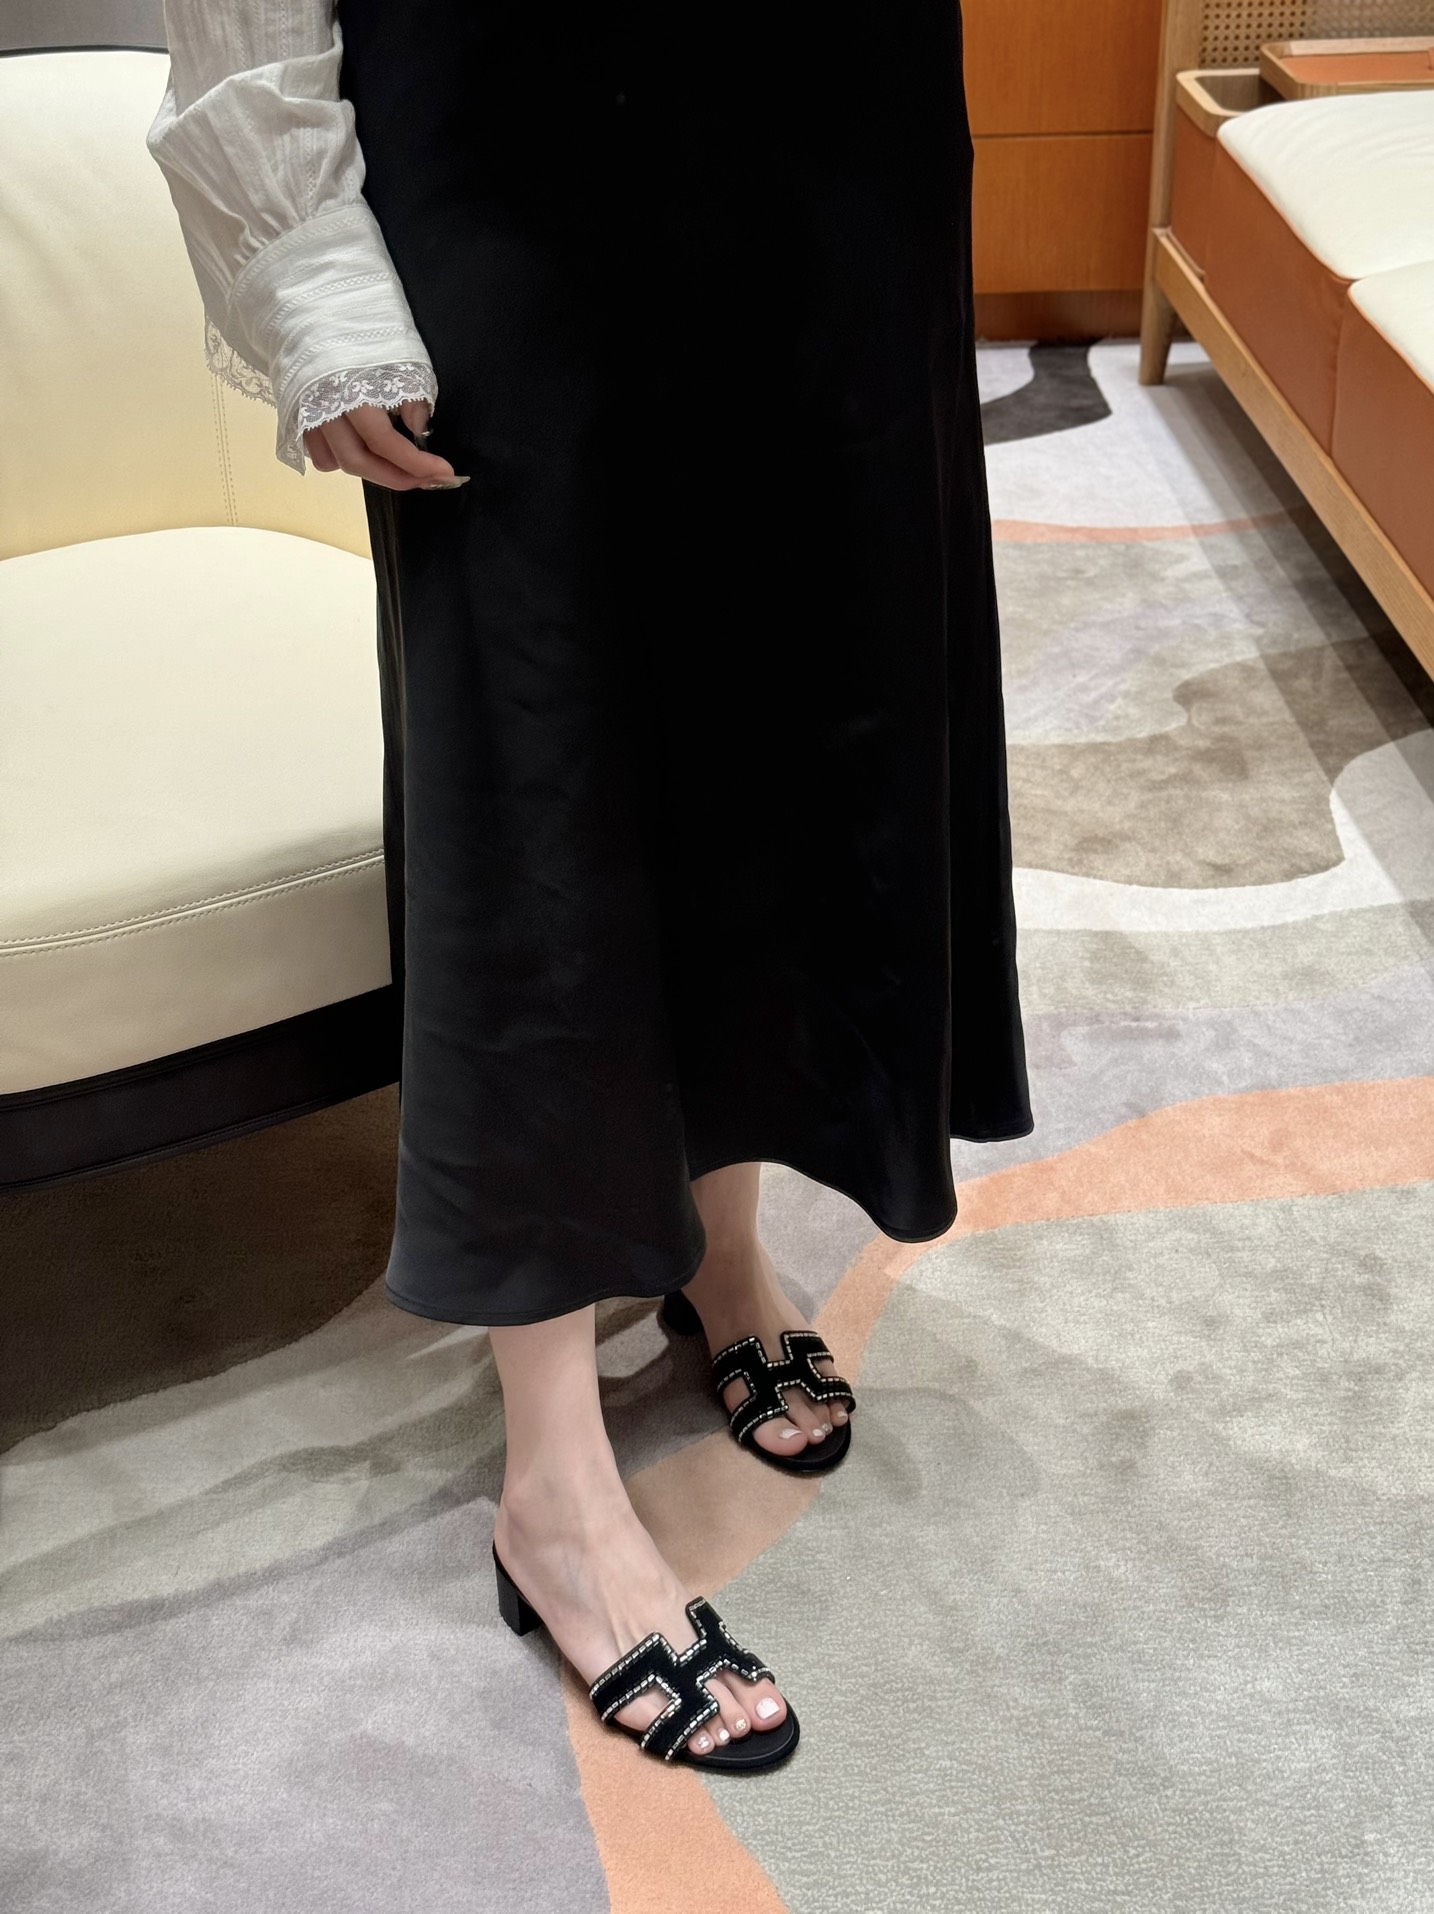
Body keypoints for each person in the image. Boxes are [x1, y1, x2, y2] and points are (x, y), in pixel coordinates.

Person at [147, 0, 1033, 1772]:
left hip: (832, 140)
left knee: (788, 718)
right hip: (506, 136)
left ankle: (721, 1248)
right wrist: (314, 273)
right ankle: (552, 1477)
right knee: (533, 777)